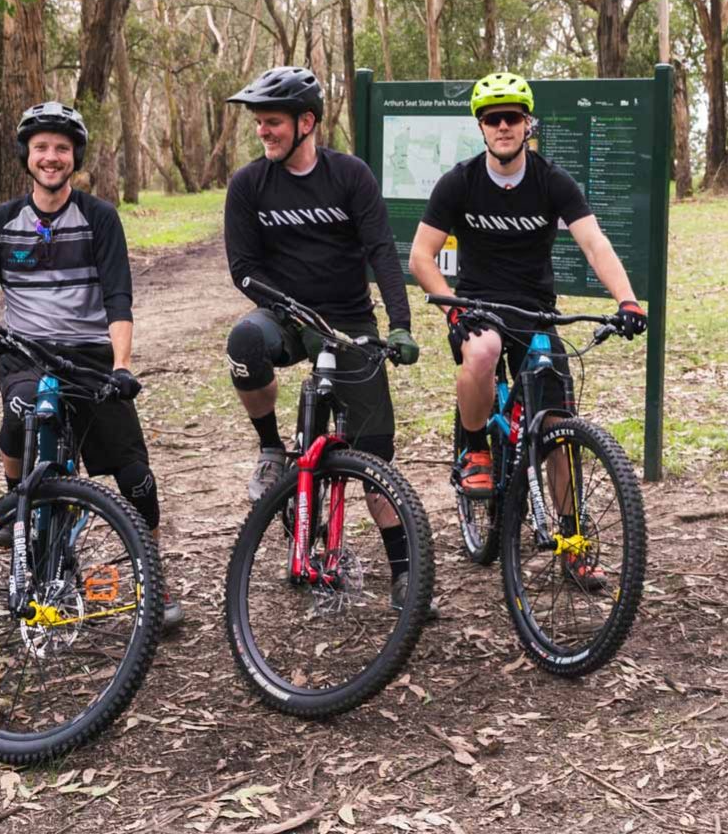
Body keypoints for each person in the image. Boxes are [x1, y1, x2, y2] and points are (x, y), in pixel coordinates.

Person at [406, 71, 647, 577]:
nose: (503, 126)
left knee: (557, 426)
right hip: (477, 307)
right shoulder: (460, 182)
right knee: (483, 352)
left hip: (536, 310)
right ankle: (475, 451)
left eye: (512, 117)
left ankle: (573, 543)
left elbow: (595, 243)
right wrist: (453, 307)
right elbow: (421, 256)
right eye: (493, 118)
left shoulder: (551, 181)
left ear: (527, 122)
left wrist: (627, 299)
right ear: (481, 126)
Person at [0, 101, 182, 630]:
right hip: (25, 355)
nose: (51, 157)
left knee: (135, 477)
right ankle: (19, 507)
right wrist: (7, 346)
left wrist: (122, 365)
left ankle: (152, 577)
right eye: (41, 148)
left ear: (74, 156)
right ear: (26, 156)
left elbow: (118, 297)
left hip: (90, 357)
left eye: (61, 148)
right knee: (20, 414)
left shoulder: (100, 217)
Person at [220, 66, 428, 611]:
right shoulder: (248, 185)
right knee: (244, 343)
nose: (263, 132)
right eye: (259, 123)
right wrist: (292, 312)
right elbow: (242, 269)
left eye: (273, 123)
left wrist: (399, 324)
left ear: (306, 122)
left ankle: (405, 575)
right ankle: (270, 448)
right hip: (285, 317)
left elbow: (382, 251)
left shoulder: (349, 176)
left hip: (349, 321)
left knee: (376, 457)